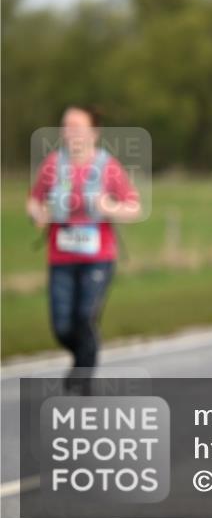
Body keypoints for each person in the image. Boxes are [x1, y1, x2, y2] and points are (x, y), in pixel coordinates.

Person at [26, 106, 141, 393]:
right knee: (62, 327)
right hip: (61, 257)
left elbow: (134, 207)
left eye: (77, 126)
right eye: (66, 125)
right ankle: (84, 360)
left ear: (94, 132)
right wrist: (38, 214)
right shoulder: (53, 165)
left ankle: (82, 380)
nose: (70, 132)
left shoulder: (107, 166)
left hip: (98, 259)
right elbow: (34, 200)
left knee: (84, 318)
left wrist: (109, 207)